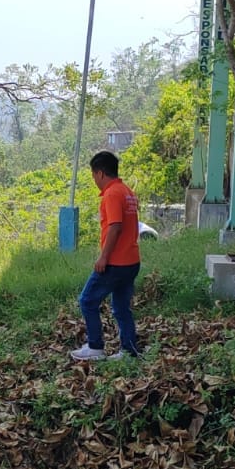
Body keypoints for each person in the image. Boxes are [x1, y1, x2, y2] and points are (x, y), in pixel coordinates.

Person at [72, 150, 141, 362]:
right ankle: (129, 351)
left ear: (100, 173)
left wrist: (103, 257)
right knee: (121, 307)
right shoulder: (127, 191)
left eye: (93, 175)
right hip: (131, 260)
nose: (94, 180)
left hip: (115, 262)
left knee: (87, 300)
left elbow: (115, 227)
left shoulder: (112, 194)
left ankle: (95, 347)